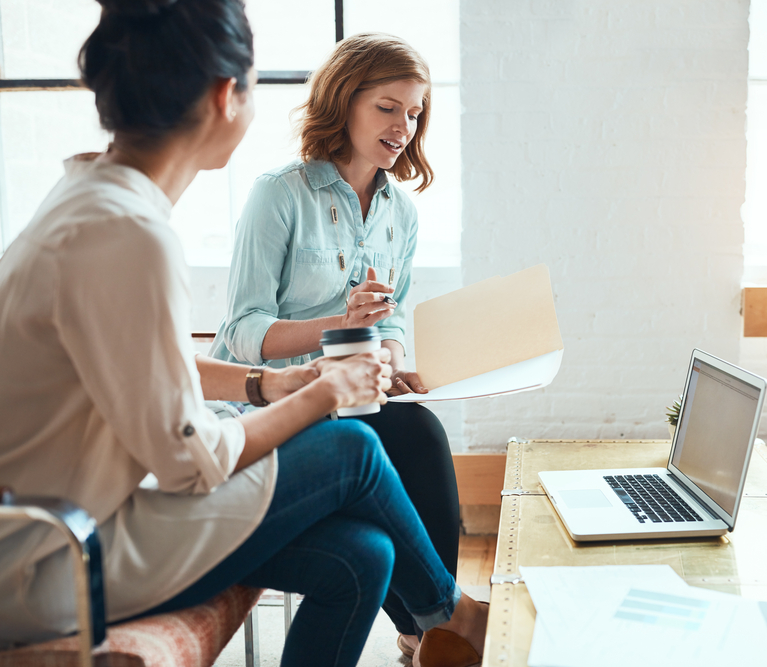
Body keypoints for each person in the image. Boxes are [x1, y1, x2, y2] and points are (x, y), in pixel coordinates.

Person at [0, 2, 486, 666]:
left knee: (363, 557)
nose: (404, 125)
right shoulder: (129, 232)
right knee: (349, 446)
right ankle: (456, 617)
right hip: (54, 556)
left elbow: (152, 366)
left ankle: (446, 618)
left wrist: (276, 382)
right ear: (227, 95)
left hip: (71, 527)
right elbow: (189, 459)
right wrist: (318, 395)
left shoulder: (96, 202)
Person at [208, 33, 459, 657]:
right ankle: (434, 627)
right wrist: (336, 325)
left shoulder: (401, 211)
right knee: (407, 441)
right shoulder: (280, 194)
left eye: (415, 111)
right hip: (277, 406)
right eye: (388, 106)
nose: (404, 125)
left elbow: (393, 318)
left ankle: (426, 629)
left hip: (359, 398)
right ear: (344, 101)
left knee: (418, 430)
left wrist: (394, 362)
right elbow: (241, 333)